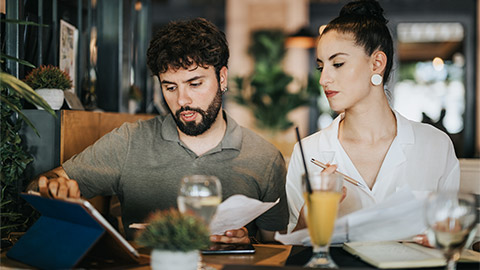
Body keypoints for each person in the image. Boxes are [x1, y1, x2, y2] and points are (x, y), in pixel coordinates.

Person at [27, 18, 288, 242]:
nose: (182, 100)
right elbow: (40, 184)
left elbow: (276, 249)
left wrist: (247, 241)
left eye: (195, 83)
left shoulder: (264, 159)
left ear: (222, 78)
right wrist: (52, 189)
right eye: (170, 87)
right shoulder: (129, 141)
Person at [286, 0, 459, 233]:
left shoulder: (435, 146)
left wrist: (443, 237)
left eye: (337, 64)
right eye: (321, 67)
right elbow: (296, 255)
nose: (323, 79)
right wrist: (309, 217)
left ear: (376, 63)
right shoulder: (308, 153)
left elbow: (452, 235)